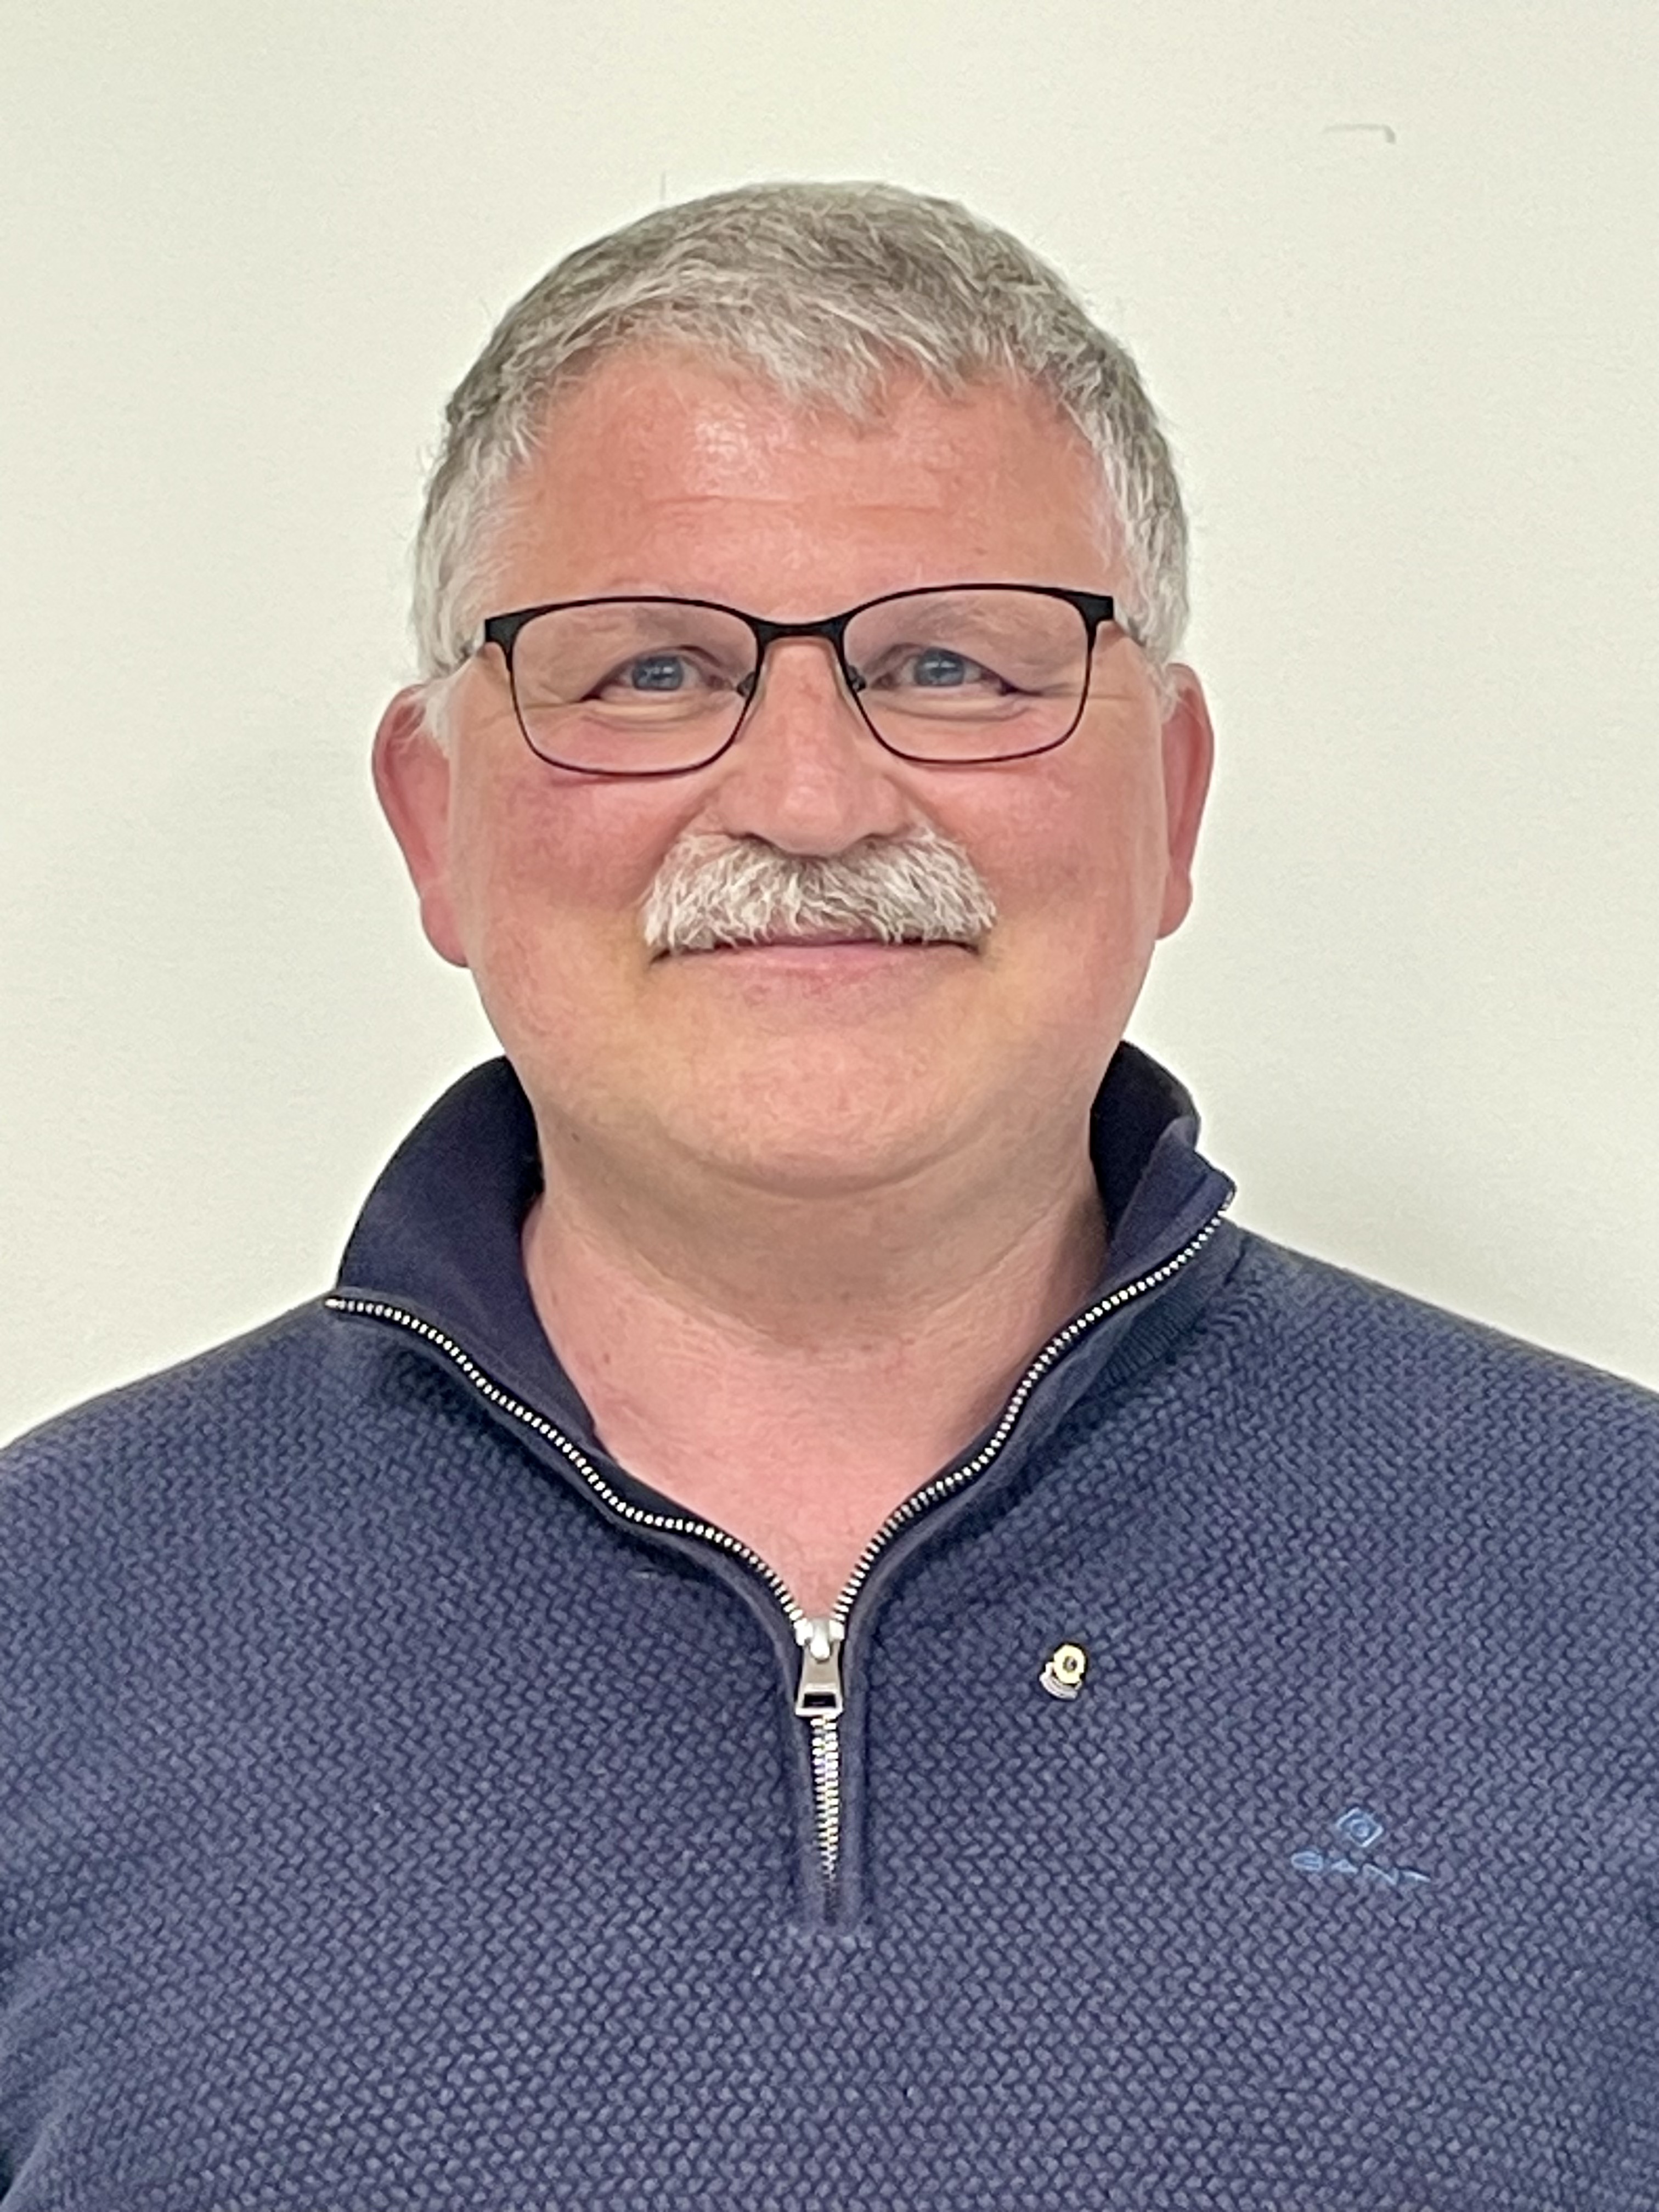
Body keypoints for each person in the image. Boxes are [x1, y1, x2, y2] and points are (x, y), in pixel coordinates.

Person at [2, 180, 1655, 2212]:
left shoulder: (1623, 1588)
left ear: (1173, 800)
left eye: (954, 665)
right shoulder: (40, 1628)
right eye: (649, 673)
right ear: (436, 823)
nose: (808, 798)